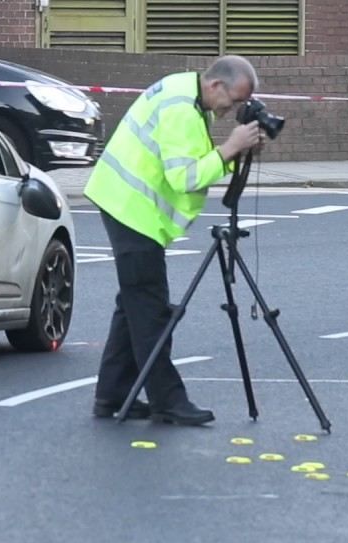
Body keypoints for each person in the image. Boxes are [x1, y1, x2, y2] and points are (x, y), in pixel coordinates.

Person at [86, 55, 266, 426]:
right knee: (150, 308)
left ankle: (113, 394)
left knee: (134, 304)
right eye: (232, 101)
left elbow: (194, 159)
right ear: (216, 85)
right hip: (131, 209)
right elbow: (185, 178)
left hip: (126, 204)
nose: (232, 110)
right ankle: (168, 400)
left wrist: (233, 156)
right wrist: (230, 149)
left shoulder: (187, 92)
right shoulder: (182, 110)